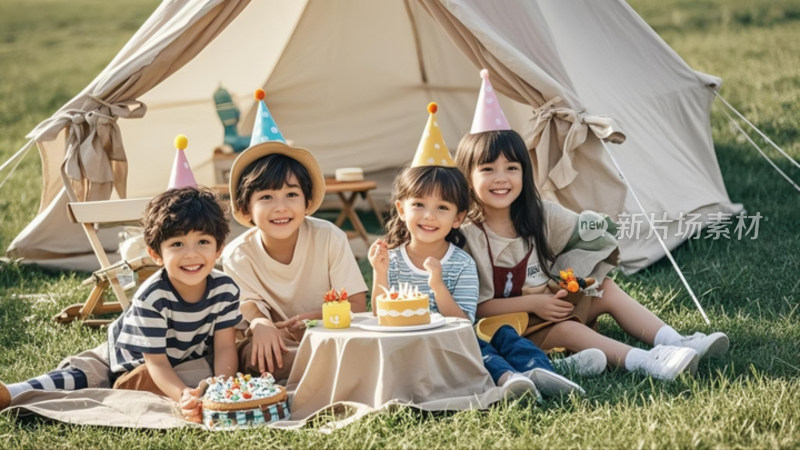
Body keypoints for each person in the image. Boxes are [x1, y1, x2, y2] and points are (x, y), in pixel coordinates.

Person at [454, 70, 729, 381]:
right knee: (567, 329)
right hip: (508, 331)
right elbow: (476, 308)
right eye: (487, 169)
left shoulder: (538, 215)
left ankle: (673, 340)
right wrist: (536, 303)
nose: (501, 178)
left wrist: (568, 278)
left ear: (524, 173)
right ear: (468, 177)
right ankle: (647, 361)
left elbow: (587, 235)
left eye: (511, 168)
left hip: (549, 306)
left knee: (606, 289)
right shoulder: (469, 236)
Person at [369, 103, 597, 400]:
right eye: (419, 205)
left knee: (504, 338)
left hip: (461, 335)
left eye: (442, 208)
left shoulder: (461, 262)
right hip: (424, 346)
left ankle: (545, 372)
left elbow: (464, 321)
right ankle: (511, 378)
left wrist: (437, 285)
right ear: (401, 209)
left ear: (458, 218)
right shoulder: (394, 260)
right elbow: (378, 314)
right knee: (480, 351)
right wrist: (379, 273)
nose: (429, 216)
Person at [0, 186, 241, 422]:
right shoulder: (153, 297)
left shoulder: (225, 289)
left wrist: (222, 390)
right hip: (128, 355)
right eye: (177, 244)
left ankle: (133, 383)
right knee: (86, 374)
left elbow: (224, 348)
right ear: (156, 254)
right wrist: (182, 395)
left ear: (219, 247)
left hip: (181, 356)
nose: (191, 254)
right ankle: (13, 392)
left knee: (207, 371)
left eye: (203, 242)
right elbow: (155, 362)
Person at [222, 140, 368, 381]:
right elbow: (248, 306)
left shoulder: (329, 237)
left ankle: (325, 369)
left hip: (329, 334)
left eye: (291, 194)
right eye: (266, 197)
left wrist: (315, 317)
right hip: (276, 344)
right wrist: (261, 324)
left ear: (307, 202)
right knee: (255, 357)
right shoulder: (238, 254)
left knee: (357, 344)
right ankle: (328, 371)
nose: (281, 207)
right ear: (245, 208)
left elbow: (357, 306)